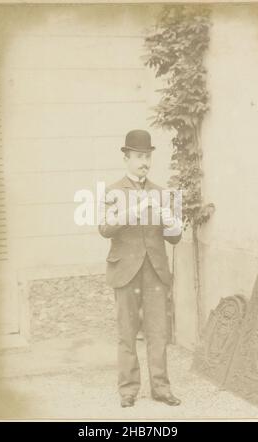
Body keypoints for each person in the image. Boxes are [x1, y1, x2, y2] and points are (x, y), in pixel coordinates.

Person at [98, 129, 182, 408]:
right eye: (138, 156)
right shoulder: (112, 192)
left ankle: (161, 388)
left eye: (147, 156)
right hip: (125, 271)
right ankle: (128, 390)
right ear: (127, 158)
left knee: (158, 333)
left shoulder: (161, 193)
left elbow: (174, 237)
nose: (144, 162)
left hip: (155, 270)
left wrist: (171, 221)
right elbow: (105, 229)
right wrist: (132, 211)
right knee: (126, 332)